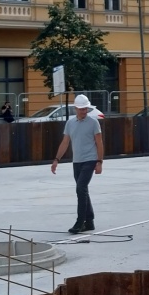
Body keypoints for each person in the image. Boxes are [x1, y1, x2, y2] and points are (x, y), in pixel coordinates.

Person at [52, 94, 104, 234]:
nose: (83, 111)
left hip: (90, 160)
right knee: (83, 190)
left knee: (80, 188)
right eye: (81, 109)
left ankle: (80, 222)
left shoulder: (93, 123)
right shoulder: (70, 123)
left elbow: (99, 143)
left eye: (85, 109)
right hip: (77, 161)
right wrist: (57, 159)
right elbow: (65, 142)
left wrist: (99, 162)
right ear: (75, 108)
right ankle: (90, 221)